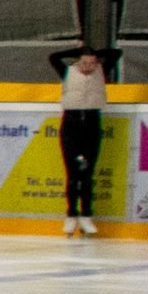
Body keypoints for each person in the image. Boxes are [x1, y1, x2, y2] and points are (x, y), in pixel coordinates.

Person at [53, 46, 110, 237]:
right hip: (71, 125)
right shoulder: (66, 71)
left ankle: (86, 215)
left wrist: (93, 54)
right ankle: (71, 214)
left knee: (87, 174)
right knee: (73, 173)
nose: (88, 67)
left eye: (92, 63)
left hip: (92, 125)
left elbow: (116, 53)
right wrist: (78, 50)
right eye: (84, 62)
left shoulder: (102, 71)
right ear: (78, 61)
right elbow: (54, 56)